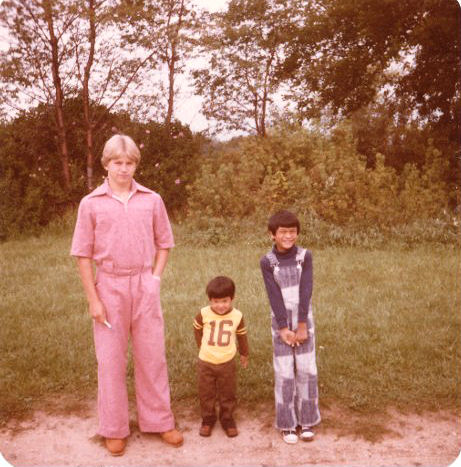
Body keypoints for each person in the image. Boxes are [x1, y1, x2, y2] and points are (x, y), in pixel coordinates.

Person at [70, 134, 183, 456]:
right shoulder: (91, 203)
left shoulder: (151, 199)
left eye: (129, 163)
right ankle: (114, 427)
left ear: (136, 165)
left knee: (152, 356)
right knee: (110, 361)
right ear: (106, 164)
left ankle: (159, 420)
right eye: (117, 163)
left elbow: (164, 243)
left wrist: (155, 279)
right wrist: (94, 298)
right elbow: (82, 254)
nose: (123, 169)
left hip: (144, 285)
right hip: (109, 287)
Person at [260, 210, 321, 444]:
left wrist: (302, 324)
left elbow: (306, 289)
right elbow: (273, 295)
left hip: (304, 319)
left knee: (306, 369)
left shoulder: (305, 256)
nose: (288, 236)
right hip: (280, 322)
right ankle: (287, 423)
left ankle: (307, 420)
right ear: (272, 235)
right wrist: (284, 328)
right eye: (283, 232)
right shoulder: (267, 262)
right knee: (285, 372)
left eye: (292, 232)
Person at [193, 276, 249, 438]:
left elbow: (241, 336)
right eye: (216, 302)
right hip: (206, 361)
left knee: (228, 392)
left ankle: (227, 419)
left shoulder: (237, 316)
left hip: (227, 362)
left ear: (232, 298)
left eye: (225, 301)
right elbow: (197, 330)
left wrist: (244, 353)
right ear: (210, 300)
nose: (220, 306)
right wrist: (201, 346)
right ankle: (208, 419)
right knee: (206, 392)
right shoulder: (203, 314)